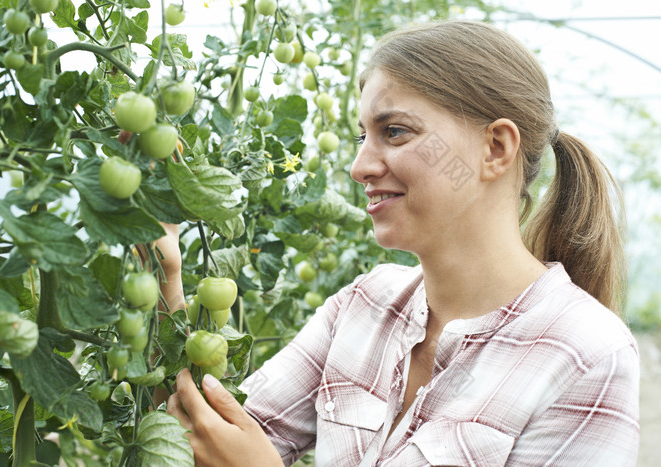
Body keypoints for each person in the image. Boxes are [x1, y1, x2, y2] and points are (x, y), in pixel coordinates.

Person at [163, 20, 640, 466]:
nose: (360, 167)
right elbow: (213, 435)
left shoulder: (586, 356)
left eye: (395, 132)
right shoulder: (363, 307)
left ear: (495, 148)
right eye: (361, 136)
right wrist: (166, 274)